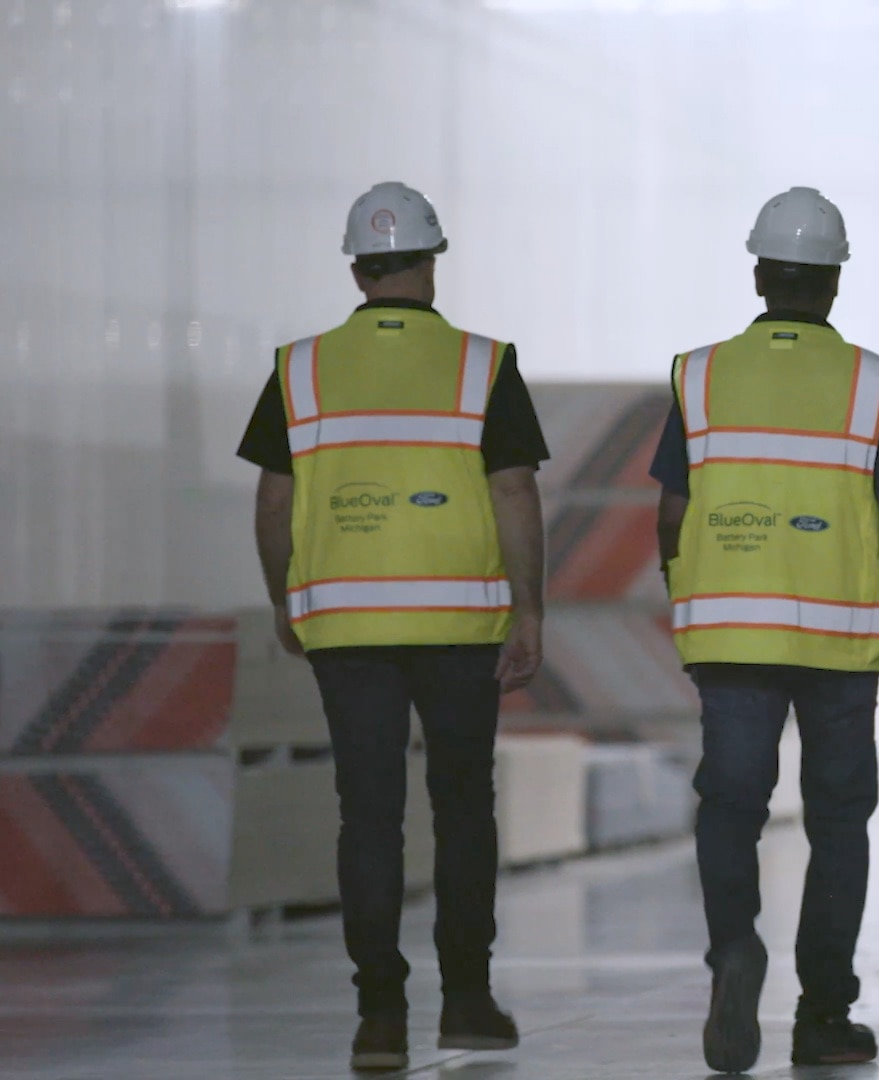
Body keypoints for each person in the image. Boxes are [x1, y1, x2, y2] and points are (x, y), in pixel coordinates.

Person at [237, 181, 549, 1074]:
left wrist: (285, 597)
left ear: (355, 267)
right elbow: (515, 489)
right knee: (462, 809)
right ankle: (468, 1003)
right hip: (460, 620)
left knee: (367, 814)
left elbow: (273, 496)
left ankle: (378, 1015)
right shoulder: (483, 364)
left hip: (346, 623)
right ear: (433, 262)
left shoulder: (299, 367)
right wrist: (528, 606)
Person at [649, 186, 879, 1075]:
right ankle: (823, 1015)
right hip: (840, 641)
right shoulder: (873, 383)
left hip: (731, 633)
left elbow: (669, 513)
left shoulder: (699, 375)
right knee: (838, 822)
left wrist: (691, 586)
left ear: (760, 272)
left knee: (731, 803)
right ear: (835, 283)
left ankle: (734, 949)